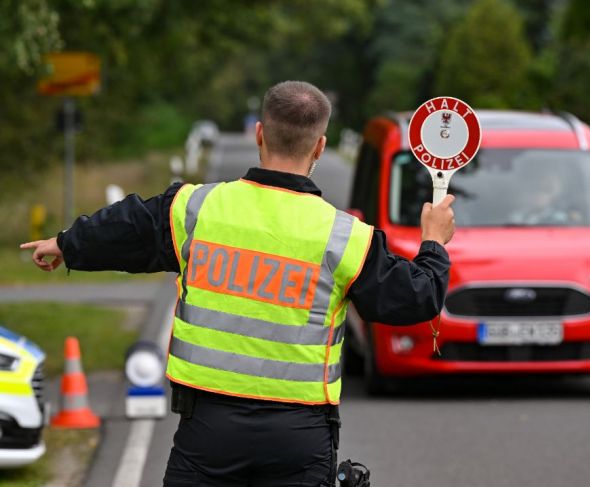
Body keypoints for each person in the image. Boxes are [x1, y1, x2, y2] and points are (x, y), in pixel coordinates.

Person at [20, 81, 455, 487]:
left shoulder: (196, 208)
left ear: (260, 134)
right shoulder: (346, 237)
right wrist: (433, 241)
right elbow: (416, 299)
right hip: (299, 439)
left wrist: (66, 245)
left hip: (207, 431)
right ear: (320, 146)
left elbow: (127, 226)